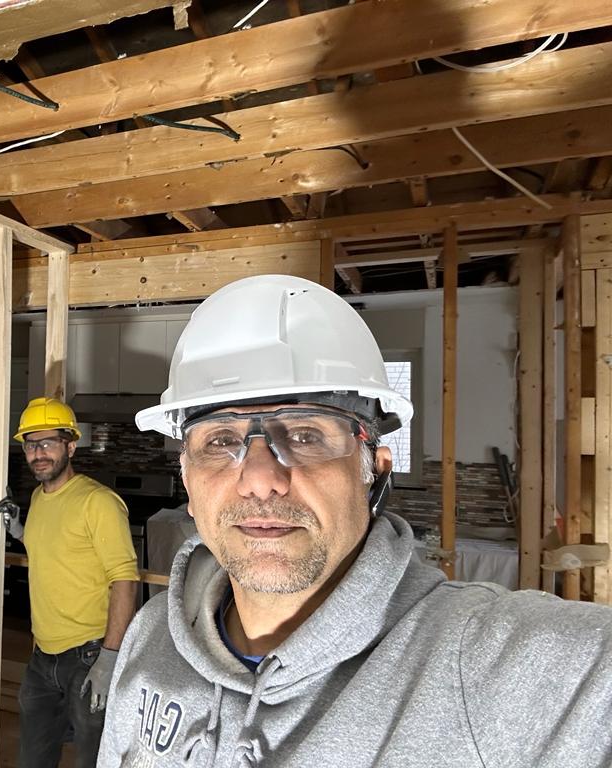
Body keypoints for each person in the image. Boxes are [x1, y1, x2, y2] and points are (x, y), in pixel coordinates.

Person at [98, 275, 612, 767]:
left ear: (374, 473)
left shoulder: (480, 661)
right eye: (220, 440)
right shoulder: (151, 635)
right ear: (187, 484)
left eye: (305, 435)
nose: (259, 480)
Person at [0, 397, 140, 767]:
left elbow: (125, 579)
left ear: (71, 446)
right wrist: (18, 529)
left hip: (89, 656)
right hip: (43, 656)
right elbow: (52, 547)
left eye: (48, 443)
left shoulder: (98, 502)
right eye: (31, 444)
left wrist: (109, 658)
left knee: (93, 759)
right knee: (33, 758)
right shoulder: (38, 497)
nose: (38, 453)